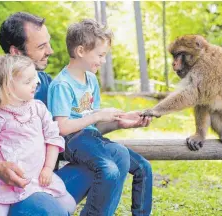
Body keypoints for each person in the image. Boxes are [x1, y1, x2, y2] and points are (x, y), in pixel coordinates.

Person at [0, 12, 151, 215]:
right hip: (19, 187)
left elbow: (70, 130)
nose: (50, 51)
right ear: (16, 52)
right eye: (42, 46)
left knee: (117, 155)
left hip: (45, 180)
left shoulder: (46, 84)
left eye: (48, 43)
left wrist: (117, 122)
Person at [48, 18, 153, 216]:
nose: (103, 60)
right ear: (80, 51)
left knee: (143, 168)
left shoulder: (91, 79)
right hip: (73, 140)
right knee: (109, 171)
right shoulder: (62, 85)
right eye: (100, 55)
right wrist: (97, 115)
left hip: (92, 138)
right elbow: (61, 128)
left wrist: (123, 120)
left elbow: (93, 123)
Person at [0, 55, 76, 215]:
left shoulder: (38, 109)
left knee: (69, 206)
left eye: (34, 79)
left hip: (39, 177)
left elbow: (52, 139)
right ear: (7, 87)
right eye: (27, 81)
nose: (35, 84)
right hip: (6, 182)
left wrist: (48, 169)